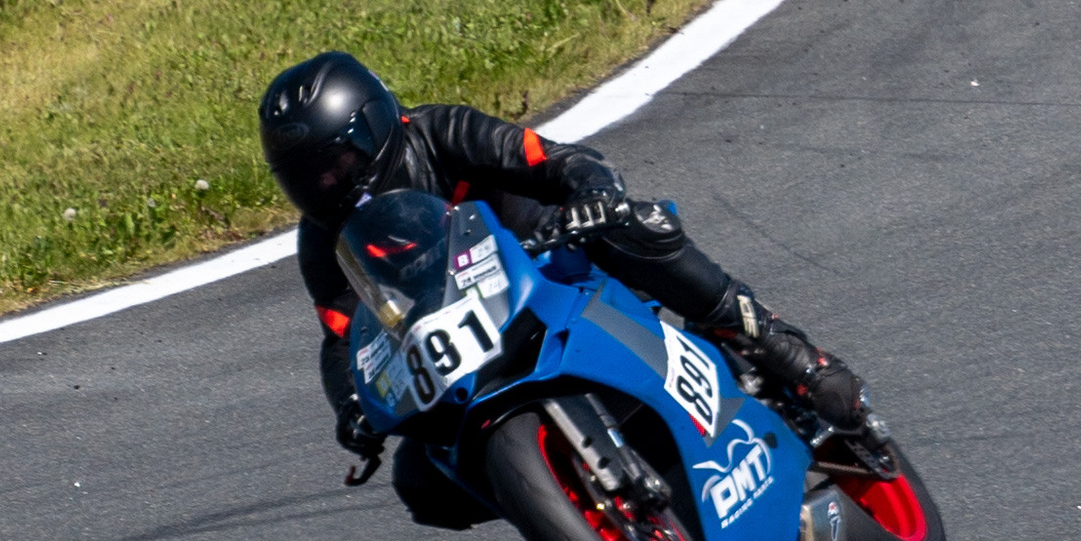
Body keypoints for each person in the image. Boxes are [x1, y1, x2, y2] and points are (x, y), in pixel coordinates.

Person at [258, 51, 873, 511]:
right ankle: (566, 504)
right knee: (421, 480)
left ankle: (781, 348)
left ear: (375, 129)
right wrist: (351, 408)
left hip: (553, 264)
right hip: (468, 344)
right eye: (305, 178)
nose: (326, 186)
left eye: (336, 165)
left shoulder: (443, 132)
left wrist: (592, 194)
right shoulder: (324, 242)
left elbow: (552, 158)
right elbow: (344, 339)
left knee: (635, 227)